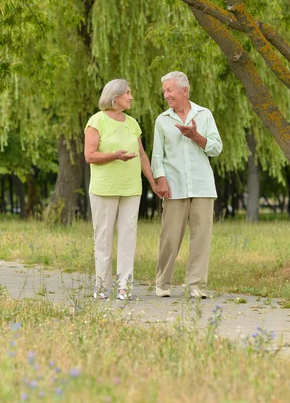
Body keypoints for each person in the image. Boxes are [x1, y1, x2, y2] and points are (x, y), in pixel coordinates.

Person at [84, 78, 159, 300]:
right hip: (104, 188)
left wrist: (153, 183)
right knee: (103, 238)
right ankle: (101, 287)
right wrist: (115, 155)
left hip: (131, 188)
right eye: (127, 93)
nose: (131, 97)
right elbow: (90, 155)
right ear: (115, 97)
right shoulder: (96, 121)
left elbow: (143, 155)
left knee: (128, 237)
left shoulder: (132, 123)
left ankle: (124, 287)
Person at [151, 71, 223, 298]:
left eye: (169, 90)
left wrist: (196, 136)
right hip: (174, 186)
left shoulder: (204, 115)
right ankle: (162, 284)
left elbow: (216, 147)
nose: (166, 95)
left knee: (201, 237)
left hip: (202, 185)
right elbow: (157, 155)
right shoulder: (162, 120)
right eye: (164, 91)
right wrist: (160, 178)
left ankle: (196, 286)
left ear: (185, 90)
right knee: (170, 237)